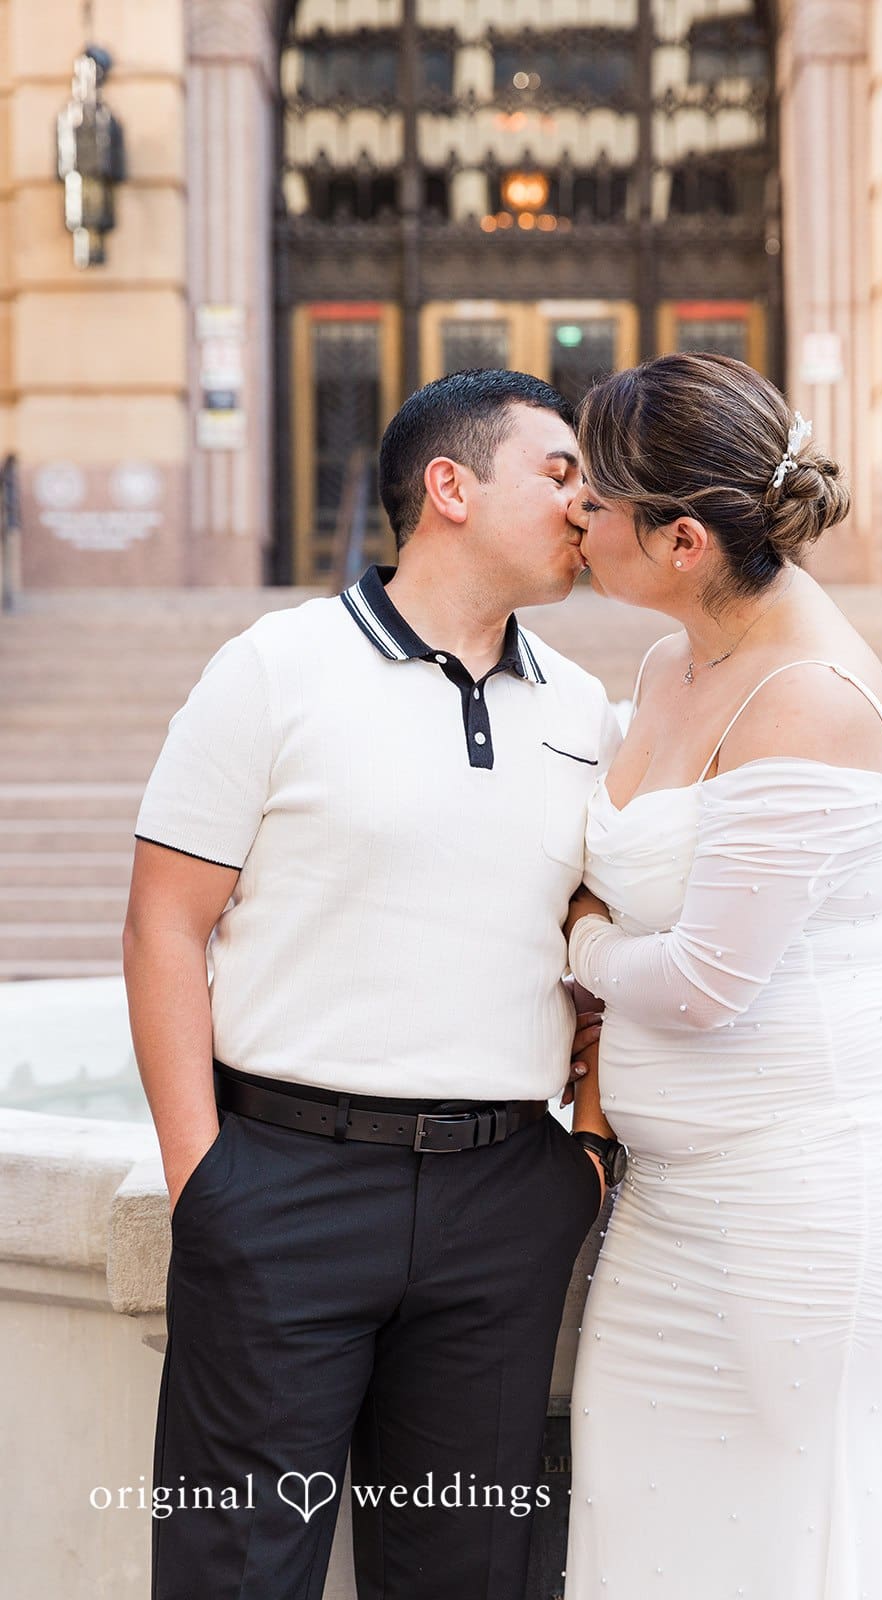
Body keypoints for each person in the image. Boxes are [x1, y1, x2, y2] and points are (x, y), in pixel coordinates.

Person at [122, 368, 621, 1600]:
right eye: (557, 472)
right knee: (237, 1573)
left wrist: (587, 1149)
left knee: (469, 1575)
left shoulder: (590, 709)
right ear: (448, 487)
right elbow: (163, 924)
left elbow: (607, 944)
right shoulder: (273, 666)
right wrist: (207, 1182)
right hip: (282, 1186)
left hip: (503, 1198)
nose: (584, 502)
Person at [560, 353, 882, 1600]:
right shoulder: (665, 666)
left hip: (803, 1202)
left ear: (680, 540)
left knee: (794, 1550)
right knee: (644, 1540)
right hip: (672, 1205)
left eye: (597, 498)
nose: (573, 511)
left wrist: (574, 940)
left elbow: (699, 985)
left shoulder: (810, 698)